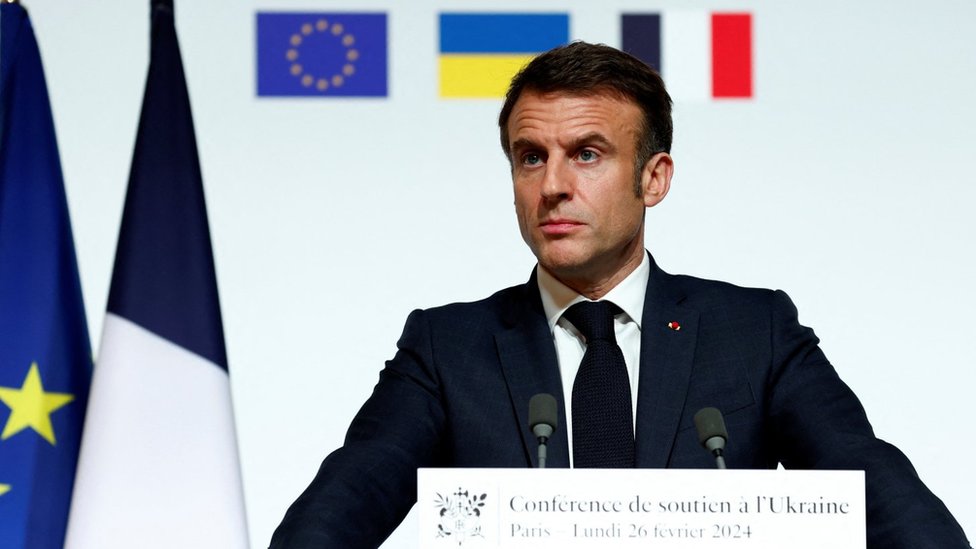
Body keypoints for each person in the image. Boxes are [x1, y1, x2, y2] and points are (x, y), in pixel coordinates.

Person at [270, 42, 970, 548]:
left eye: (588, 153)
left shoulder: (752, 332)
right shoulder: (446, 348)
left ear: (654, 178)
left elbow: (883, 495)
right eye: (530, 156)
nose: (551, 186)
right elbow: (338, 510)